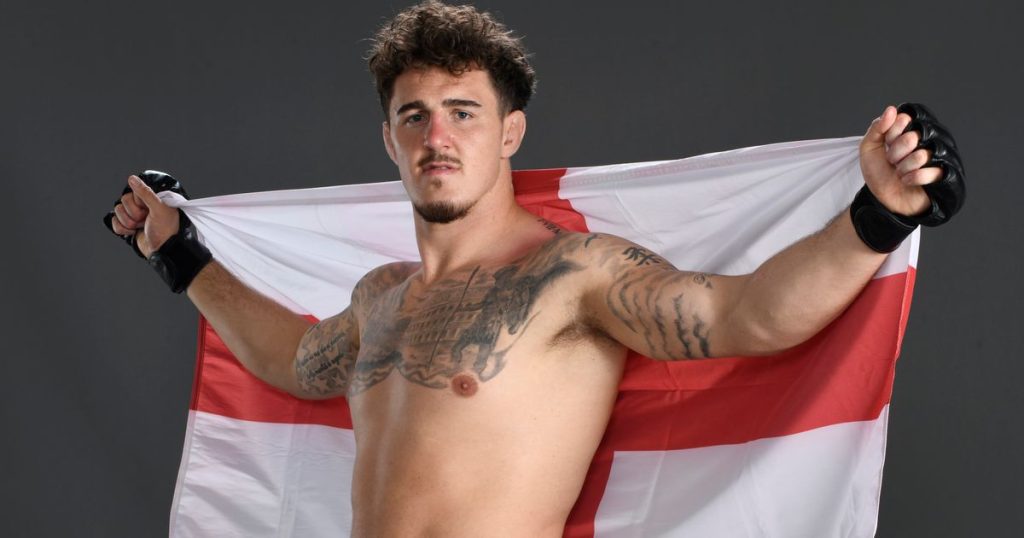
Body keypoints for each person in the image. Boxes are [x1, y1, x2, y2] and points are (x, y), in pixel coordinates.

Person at [104, 1, 964, 536]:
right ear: (390, 141)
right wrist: (179, 253)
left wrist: (879, 215)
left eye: (464, 112)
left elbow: (747, 316)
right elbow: (292, 360)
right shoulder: (380, 298)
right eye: (414, 116)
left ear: (509, 133)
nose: (437, 137)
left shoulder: (573, 275)